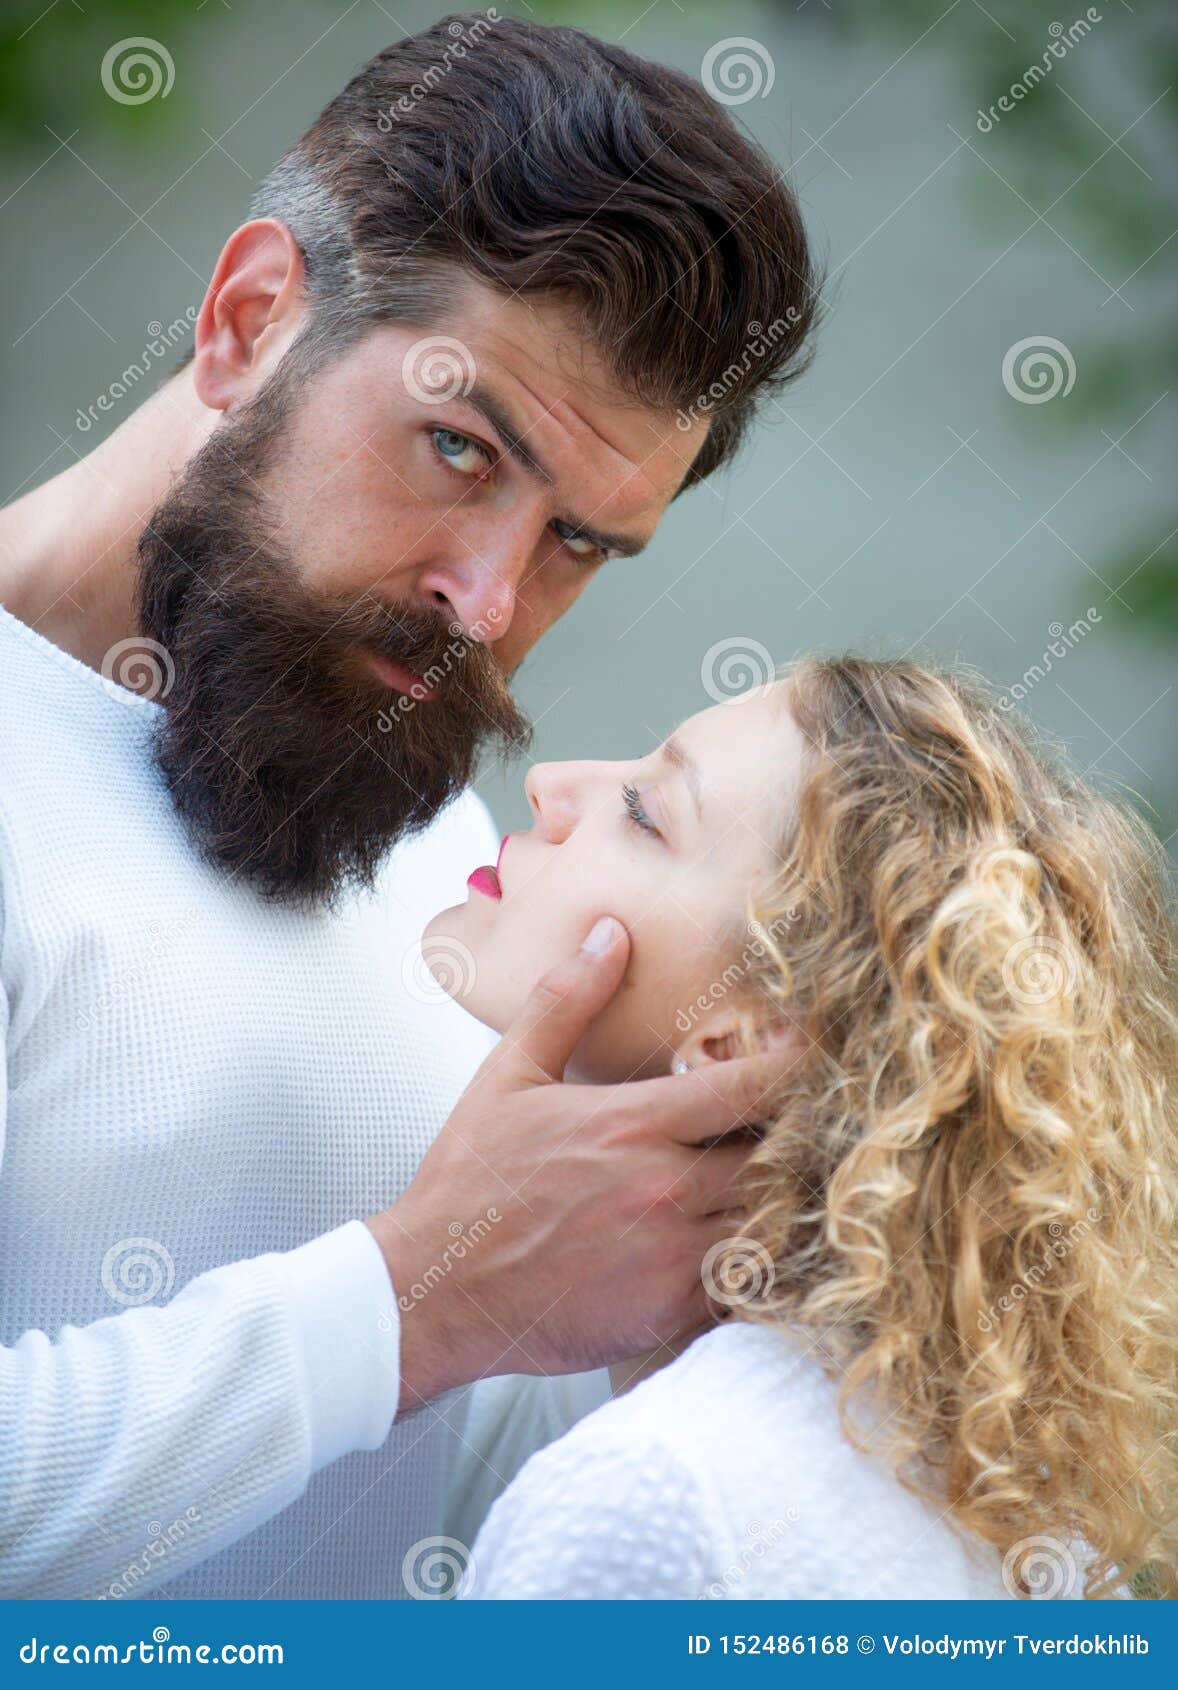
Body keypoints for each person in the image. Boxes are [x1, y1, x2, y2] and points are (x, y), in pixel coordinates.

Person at [0, 17, 818, 1597]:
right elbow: (415, 1329)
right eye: (458, 446)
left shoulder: (428, 830)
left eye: (582, 542)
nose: (487, 599)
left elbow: (451, 1499)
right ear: (247, 323)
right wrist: (412, 1303)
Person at [418, 658, 1178, 1600]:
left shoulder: (657, 1496)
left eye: (647, 814)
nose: (552, 784)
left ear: (745, 1039)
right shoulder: (997, 1465)